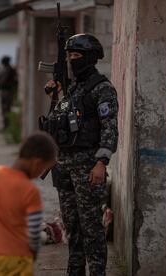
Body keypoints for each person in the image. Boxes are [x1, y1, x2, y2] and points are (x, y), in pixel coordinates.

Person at [43, 34, 118, 276]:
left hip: (87, 165)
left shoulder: (102, 88)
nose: (72, 60)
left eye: (76, 56)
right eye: (69, 56)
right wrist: (56, 94)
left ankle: (97, 272)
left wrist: (101, 162)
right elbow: (64, 119)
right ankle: (74, 271)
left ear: (89, 58)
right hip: (64, 164)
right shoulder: (73, 88)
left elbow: (109, 127)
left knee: (91, 227)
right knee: (71, 225)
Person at [0, 132, 58, 276]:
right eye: (43, 168)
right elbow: (34, 233)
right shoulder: (30, 190)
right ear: (37, 163)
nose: (41, 173)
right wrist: (34, 252)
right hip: (17, 259)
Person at [0, 55, 17, 129]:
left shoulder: (8, 70)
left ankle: (7, 125)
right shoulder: (9, 69)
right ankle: (6, 125)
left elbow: (2, 82)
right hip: (6, 91)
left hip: (6, 92)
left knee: (6, 109)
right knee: (6, 109)